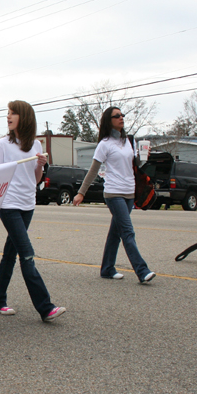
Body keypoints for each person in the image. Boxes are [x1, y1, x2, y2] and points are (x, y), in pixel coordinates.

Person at [0, 101, 66, 322]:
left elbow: (36, 179)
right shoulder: (3, 144)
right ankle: (45, 307)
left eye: (12, 113)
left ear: (25, 117)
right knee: (27, 254)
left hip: (27, 204)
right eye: (7, 113)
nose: (8, 117)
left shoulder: (36, 145)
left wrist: (41, 164)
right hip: (9, 205)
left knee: (10, 255)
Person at [73, 107, 156, 283]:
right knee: (127, 231)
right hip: (113, 193)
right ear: (108, 120)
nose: (121, 118)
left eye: (122, 115)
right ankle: (142, 270)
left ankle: (107, 268)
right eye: (116, 116)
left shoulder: (128, 141)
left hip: (129, 193)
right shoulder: (104, 144)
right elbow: (93, 170)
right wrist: (81, 193)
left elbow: (133, 164)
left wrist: (143, 157)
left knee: (115, 233)